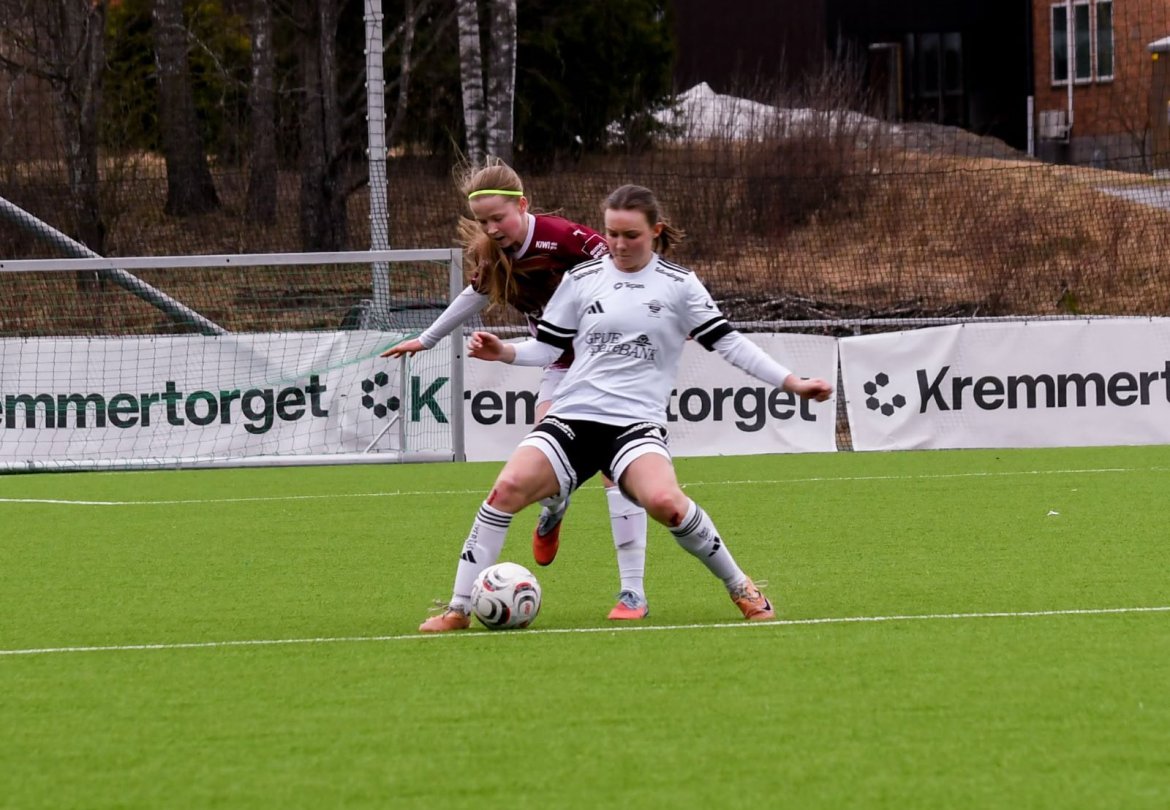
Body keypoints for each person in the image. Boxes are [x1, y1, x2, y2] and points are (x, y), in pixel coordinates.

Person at [418, 183, 833, 633]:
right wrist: (505, 352)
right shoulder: (582, 279)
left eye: (630, 235)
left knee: (666, 503)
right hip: (573, 417)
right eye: (612, 233)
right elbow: (548, 348)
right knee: (504, 490)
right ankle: (458, 608)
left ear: (655, 231)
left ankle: (741, 586)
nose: (618, 244)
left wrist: (792, 382)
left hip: (634, 425)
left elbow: (729, 344)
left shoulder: (679, 285)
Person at [382, 158, 652, 620]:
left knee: (616, 471)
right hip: (558, 365)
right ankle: (555, 506)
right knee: (545, 458)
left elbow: (630, 274)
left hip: (610, 367)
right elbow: (476, 294)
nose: (491, 229)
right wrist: (426, 339)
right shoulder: (492, 251)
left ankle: (632, 594)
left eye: (498, 218)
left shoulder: (564, 238)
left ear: (522, 206)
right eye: (482, 221)